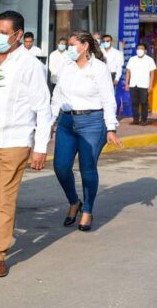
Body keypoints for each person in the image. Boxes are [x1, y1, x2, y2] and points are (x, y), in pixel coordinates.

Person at [0, 11, 52, 277]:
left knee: (7, 199)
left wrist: (40, 147)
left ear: (18, 35)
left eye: (4, 32)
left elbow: (43, 109)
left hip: (16, 141)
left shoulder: (31, 66)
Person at [51, 31, 123, 233]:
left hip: (92, 122)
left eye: (74, 45)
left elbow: (109, 99)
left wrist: (111, 128)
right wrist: (50, 121)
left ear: (85, 46)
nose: (70, 49)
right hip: (66, 121)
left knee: (87, 168)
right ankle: (74, 201)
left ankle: (88, 210)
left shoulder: (99, 69)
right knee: (61, 167)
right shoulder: (66, 67)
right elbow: (57, 96)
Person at [125, 43, 156, 126]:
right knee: (134, 103)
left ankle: (144, 120)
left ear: (145, 50)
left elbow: (152, 73)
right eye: (138, 48)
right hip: (133, 84)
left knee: (144, 103)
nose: (139, 50)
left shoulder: (149, 60)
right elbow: (128, 72)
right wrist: (126, 83)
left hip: (144, 85)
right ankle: (135, 119)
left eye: (141, 48)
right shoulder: (132, 59)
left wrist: (151, 85)